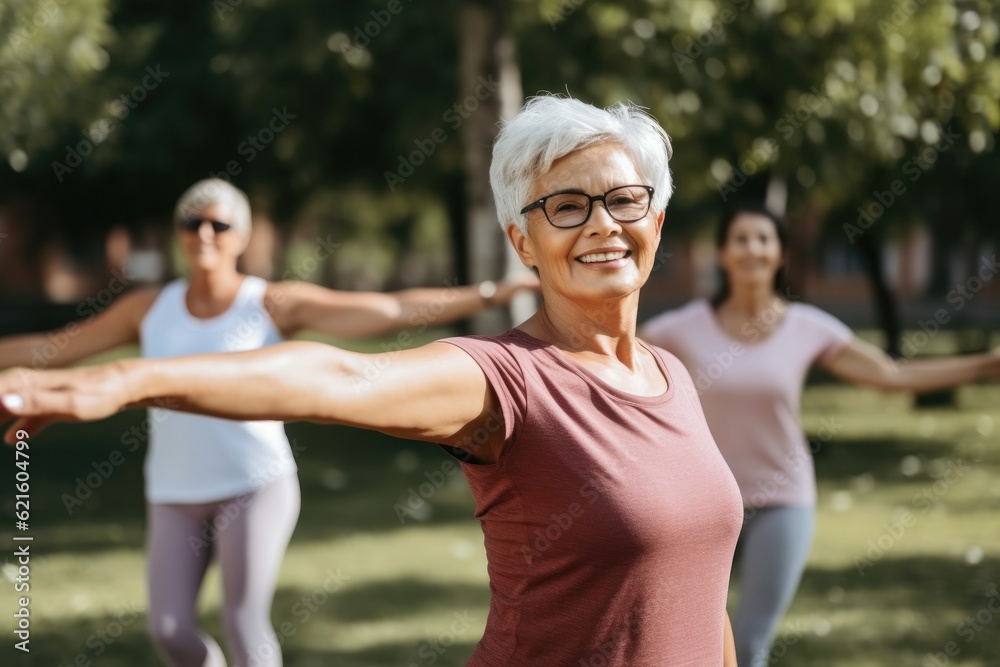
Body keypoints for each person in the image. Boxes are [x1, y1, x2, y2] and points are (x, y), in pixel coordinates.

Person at [0, 97, 745, 666]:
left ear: (657, 214)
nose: (602, 224)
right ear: (524, 239)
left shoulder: (670, 375)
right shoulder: (507, 381)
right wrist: (126, 382)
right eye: (566, 206)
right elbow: (335, 375)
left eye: (623, 198)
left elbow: (703, 593)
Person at [0, 177, 537, 667]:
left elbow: (389, 310)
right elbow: (57, 347)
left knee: (242, 621)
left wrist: (490, 294)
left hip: (254, 484)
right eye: (191, 223)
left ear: (242, 236)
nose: (204, 233)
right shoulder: (149, 306)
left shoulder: (271, 303)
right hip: (173, 490)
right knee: (168, 631)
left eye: (219, 223)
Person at [639, 202, 1000, 667]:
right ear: (723, 254)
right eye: (741, 239)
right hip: (706, 505)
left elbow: (891, 375)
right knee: (696, 645)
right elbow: (610, 357)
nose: (753, 248)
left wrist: (988, 364)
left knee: (749, 648)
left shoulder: (806, 327)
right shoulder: (679, 328)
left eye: (764, 239)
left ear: (780, 254)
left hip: (783, 502)